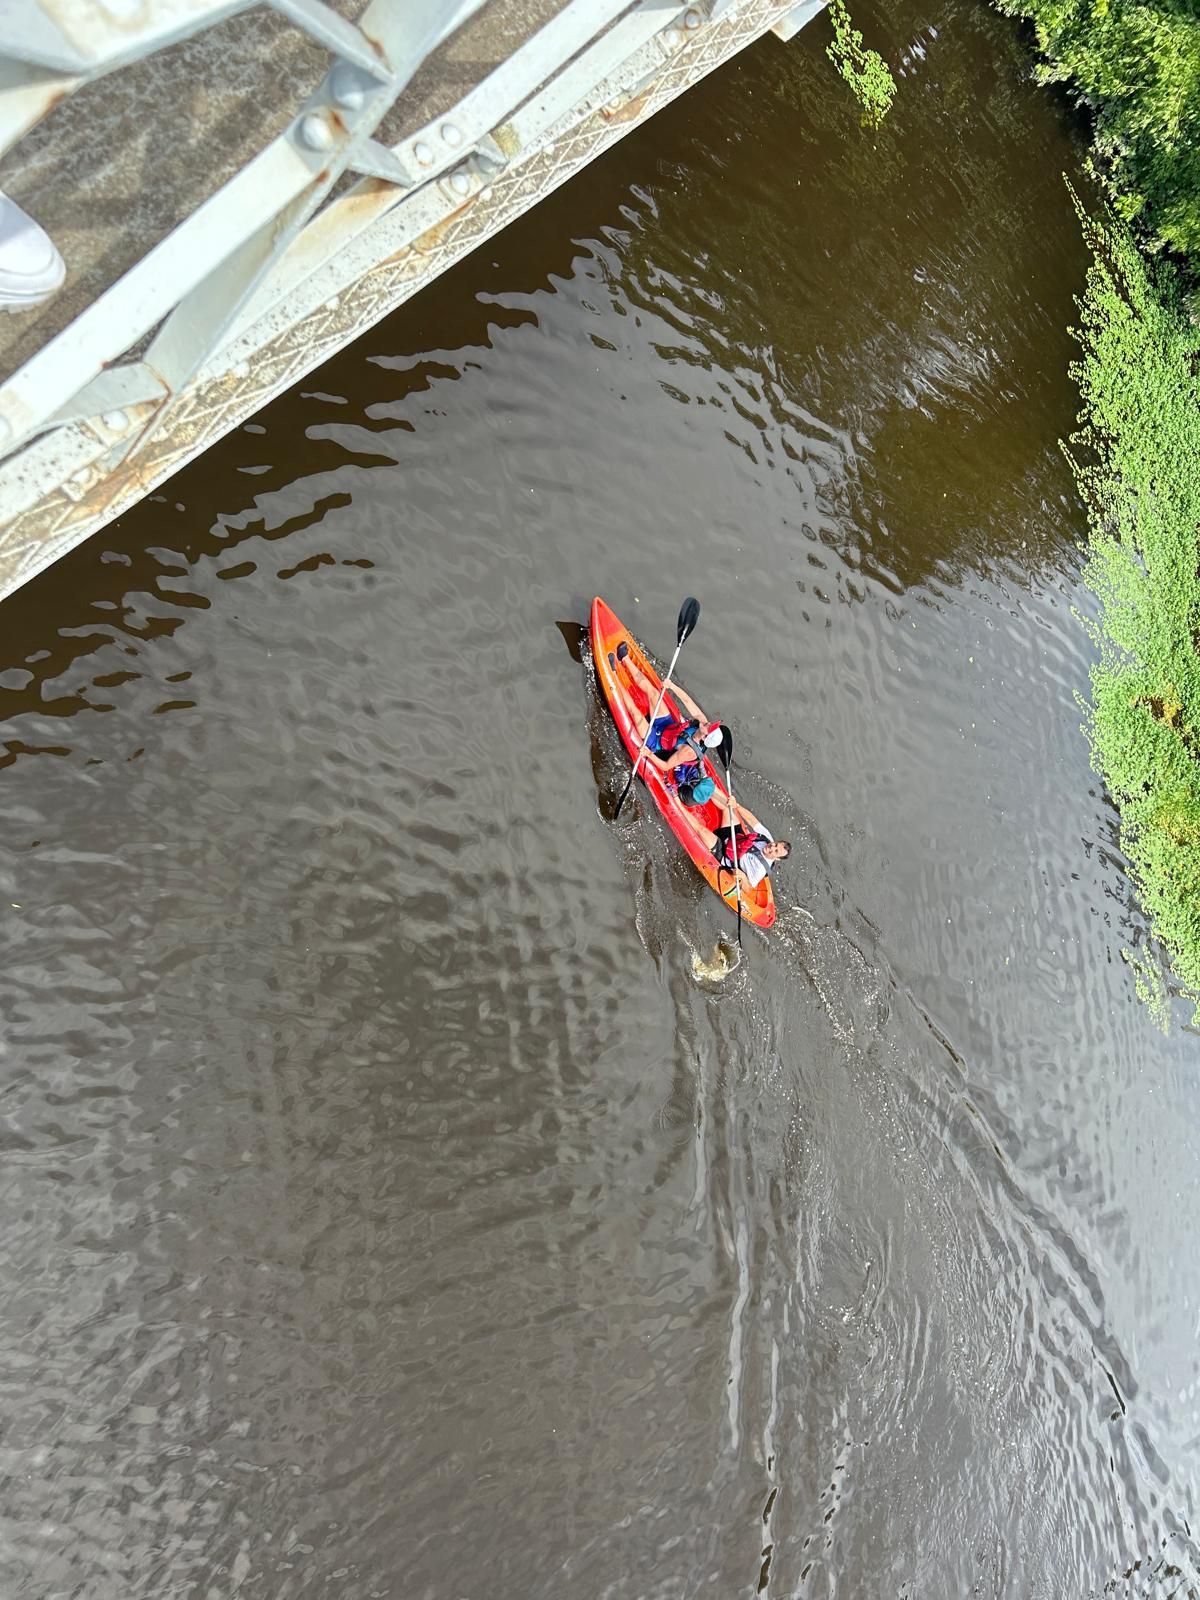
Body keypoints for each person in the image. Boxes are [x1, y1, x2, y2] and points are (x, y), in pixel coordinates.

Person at [609, 642, 724, 806]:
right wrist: (672, 687)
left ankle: (613, 676)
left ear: (705, 736)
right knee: (654, 694)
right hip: (668, 726)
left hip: (657, 743)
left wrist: (648, 754)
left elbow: (665, 766)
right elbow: (687, 701)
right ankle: (625, 658)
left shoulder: (689, 752)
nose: (708, 723)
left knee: (636, 715)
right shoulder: (702, 722)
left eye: (709, 727)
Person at [698, 794, 791, 892]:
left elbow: (748, 888)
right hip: (735, 839)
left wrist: (742, 877)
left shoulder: (760, 870)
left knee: (702, 831)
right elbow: (751, 819)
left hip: (726, 855)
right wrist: (736, 806)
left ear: (776, 859)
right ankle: (705, 788)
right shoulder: (767, 838)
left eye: (775, 851)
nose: (772, 847)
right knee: (727, 808)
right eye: (775, 844)